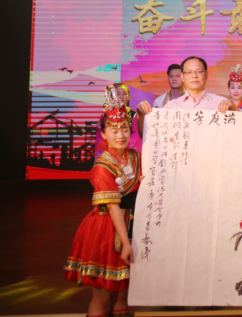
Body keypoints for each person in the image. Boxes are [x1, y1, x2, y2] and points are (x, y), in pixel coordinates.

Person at [64, 88, 142, 317]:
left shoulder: (135, 157)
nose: (120, 135)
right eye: (114, 130)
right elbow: (113, 207)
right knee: (104, 294)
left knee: (124, 292)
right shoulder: (102, 167)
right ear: (104, 134)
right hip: (108, 229)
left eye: (124, 129)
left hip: (132, 224)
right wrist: (126, 244)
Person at [136, 57, 236, 132]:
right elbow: (153, 137)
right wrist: (141, 116)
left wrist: (234, 111)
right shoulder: (171, 107)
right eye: (189, 72)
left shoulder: (221, 103)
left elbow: (237, 133)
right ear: (182, 77)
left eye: (199, 71)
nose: (194, 76)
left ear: (206, 75)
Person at [95, 84, 141, 160]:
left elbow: (136, 138)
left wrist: (122, 150)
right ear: (112, 96)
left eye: (124, 94)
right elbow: (100, 138)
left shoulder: (134, 115)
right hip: (109, 153)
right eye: (117, 94)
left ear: (129, 97)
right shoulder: (105, 115)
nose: (121, 97)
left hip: (127, 153)